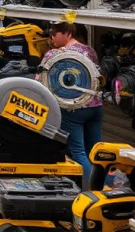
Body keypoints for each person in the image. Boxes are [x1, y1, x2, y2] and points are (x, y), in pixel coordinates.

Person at [44, 21, 102, 187]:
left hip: (73, 109)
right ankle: (102, 190)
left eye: (54, 33)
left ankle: (91, 191)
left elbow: (40, 82)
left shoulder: (54, 55)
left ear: (68, 33)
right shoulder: (90, 51)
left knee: (78, 152)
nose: (51, 37)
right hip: (95, 106)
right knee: (95, 152)